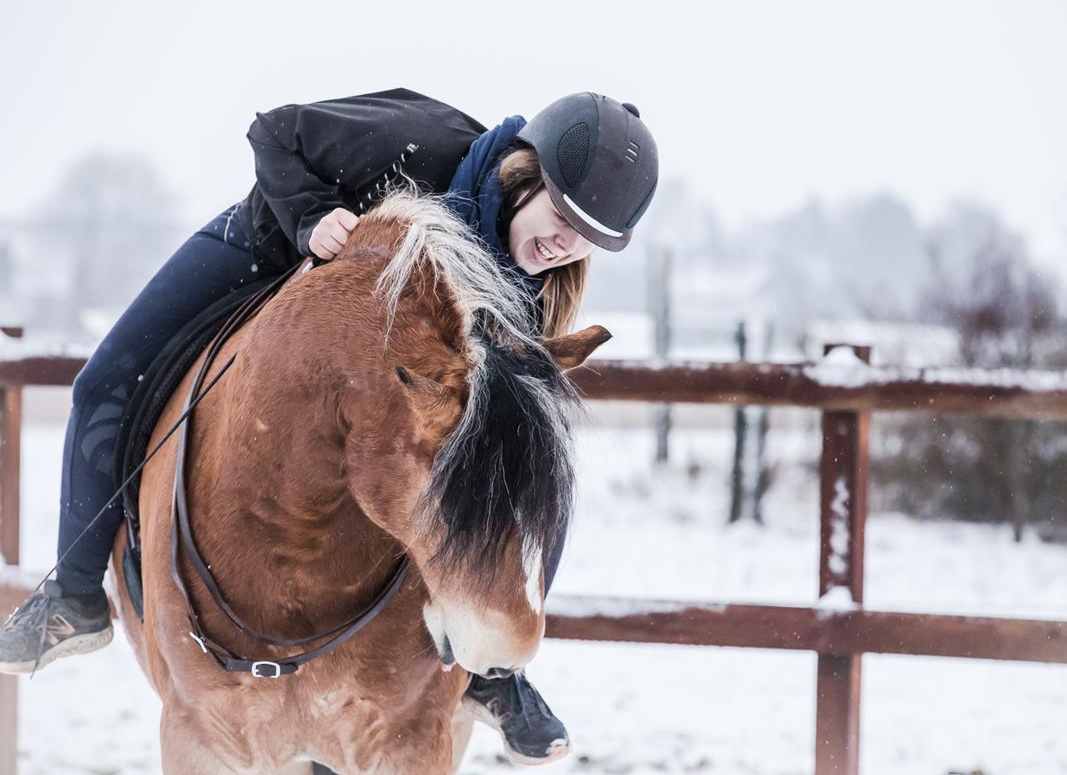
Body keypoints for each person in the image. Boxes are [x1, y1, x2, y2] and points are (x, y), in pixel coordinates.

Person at [0, 88, 658, 764]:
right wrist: (312, 215)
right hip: (270, 245)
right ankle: (73, 596)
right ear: (524, 174)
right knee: (104, 381)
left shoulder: (525, 279)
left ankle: (496, 673)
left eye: (591, 238)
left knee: (530, 448)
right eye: (563, 216)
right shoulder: (417, 139)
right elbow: (273, 132)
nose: (565, 244)